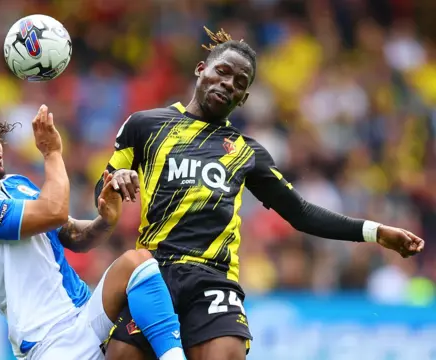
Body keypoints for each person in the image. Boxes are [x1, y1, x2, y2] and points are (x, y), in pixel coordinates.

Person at [96, 27, 425, 360]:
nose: (228, 83)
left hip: (212, 277)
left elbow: (302, 213)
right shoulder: (145, 125)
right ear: (201, 69)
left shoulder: (246, 151)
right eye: (222, 71)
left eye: (240, 83)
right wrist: (115, 180)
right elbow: (103, 186)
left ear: (244, 98)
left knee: (227, 353)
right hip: (155, 270)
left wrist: (375, 232)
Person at [0, 105, 187, 360]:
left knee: (138, 264)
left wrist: (105, 221)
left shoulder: (16, 184)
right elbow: (53, 212)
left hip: (84, 313)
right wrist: (52, 153)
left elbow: (73, 236)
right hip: (49, 340)